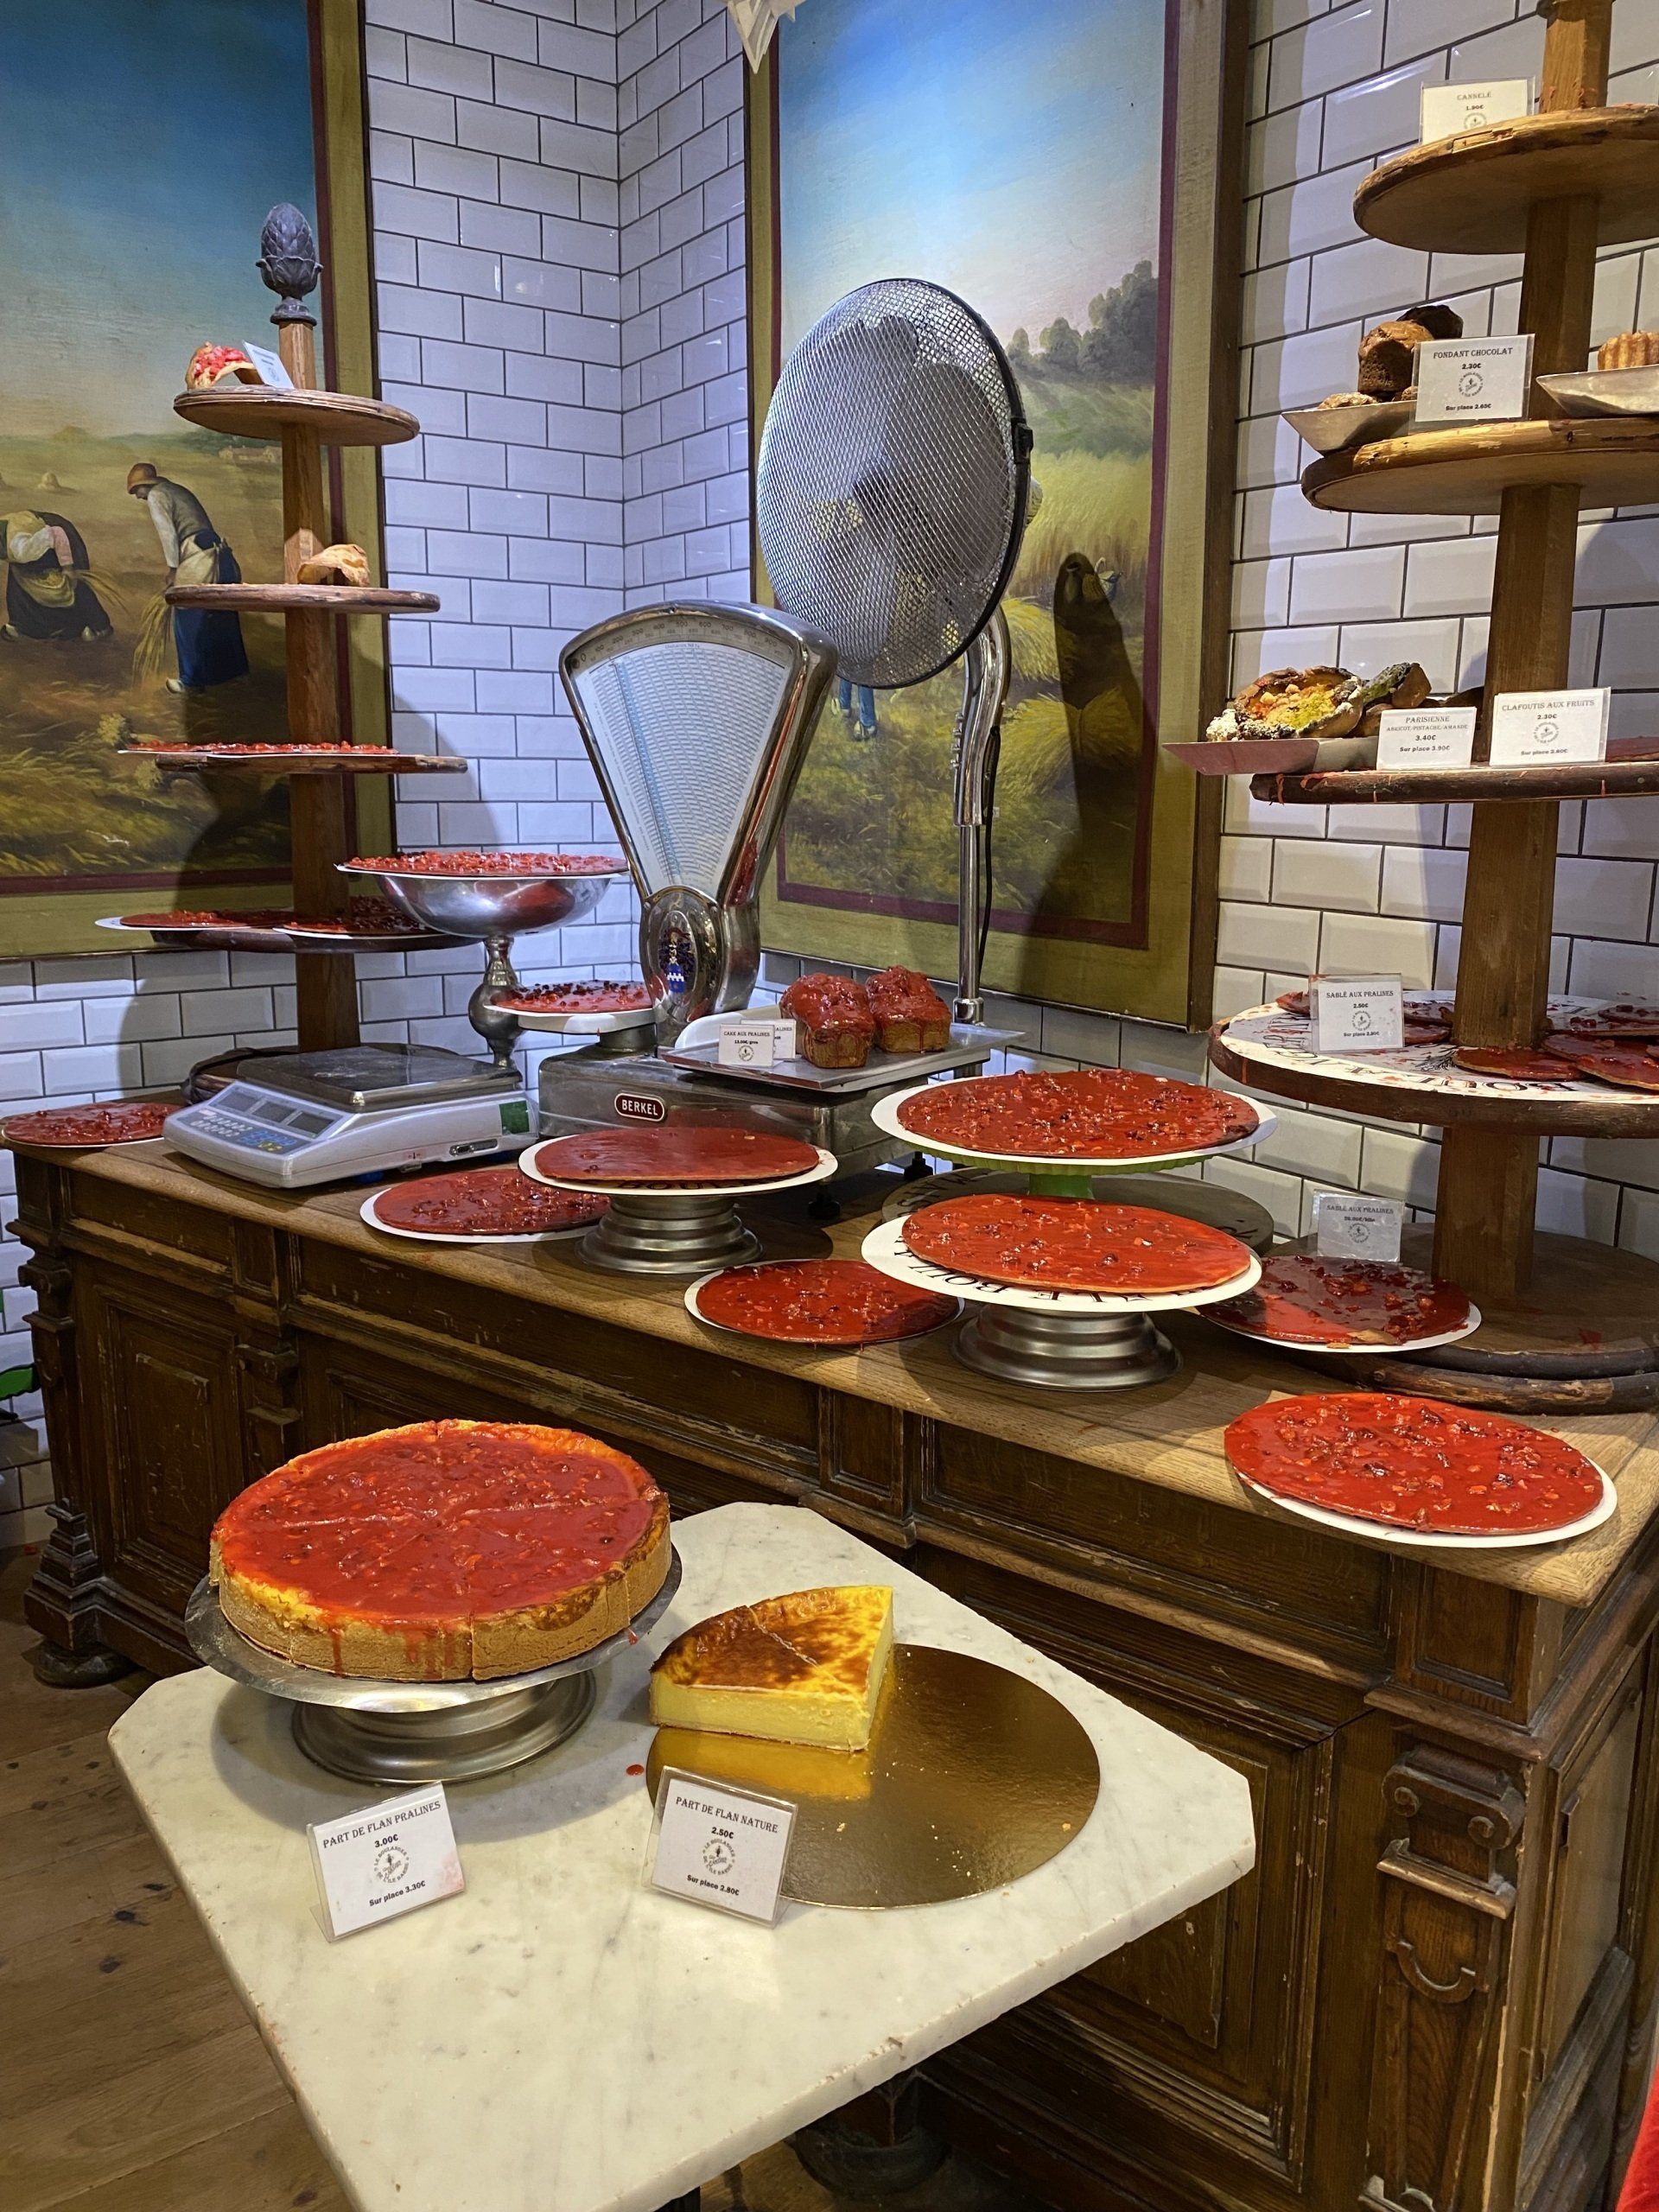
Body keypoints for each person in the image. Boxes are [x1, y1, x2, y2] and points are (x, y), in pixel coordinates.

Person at [126, 461, 248, 692]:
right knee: (220, 613)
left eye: (136, 490)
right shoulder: (177, 490)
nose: (138, 496)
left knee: (187, 613)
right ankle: (232, 673)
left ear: (146, 485)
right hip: (219, 555)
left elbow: (168, 535)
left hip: (199, 557)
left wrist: (173, 570)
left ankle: (190, 680)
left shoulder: (157, 495)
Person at [0, 508, 111, 641]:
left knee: (67, 586)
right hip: (30, 540)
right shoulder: (14, 548)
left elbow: (57, 533)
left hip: (57, 540)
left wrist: (67, 567)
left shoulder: (22, 549)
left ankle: (99, 626)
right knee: (20, 578)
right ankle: (21, 626)